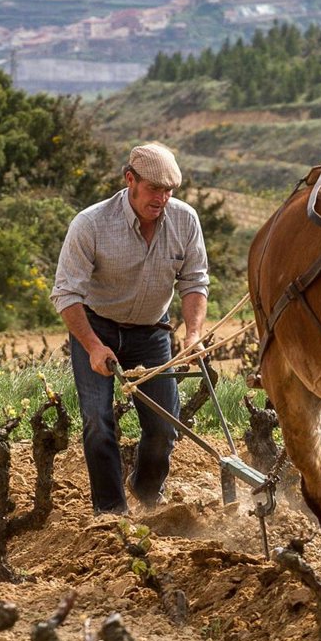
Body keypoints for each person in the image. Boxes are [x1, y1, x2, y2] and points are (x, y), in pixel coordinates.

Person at [50, 142, 209, 514]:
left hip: (151, 333)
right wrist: (92, 346)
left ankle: (147, 493)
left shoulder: (185, 220)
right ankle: (110, 512)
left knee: (164, 426)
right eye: (153, 189)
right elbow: (66, 293)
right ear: (130, 180)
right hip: (97, 328)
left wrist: (193, 334)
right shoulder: (91, 223)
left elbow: (194, 281)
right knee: (97, 420)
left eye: (168, 191)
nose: (161, 199)